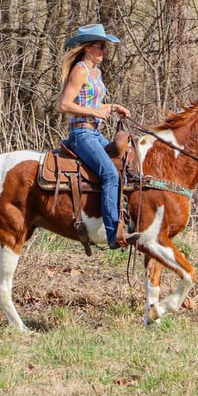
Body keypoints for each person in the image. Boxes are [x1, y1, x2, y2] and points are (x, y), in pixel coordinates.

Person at [58, 23, 139, 250]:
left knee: (126, 163)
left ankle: (127, 219)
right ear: (87, 49)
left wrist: (113, 107)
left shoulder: (96, 72)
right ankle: (114, 234)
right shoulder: (80, 70)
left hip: (95, 132)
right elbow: (65, 104)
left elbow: (92, 102)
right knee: (110, 175)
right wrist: (96, 112)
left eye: (104, 46)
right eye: (100, 46)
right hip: (81, 133)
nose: (104, 51)